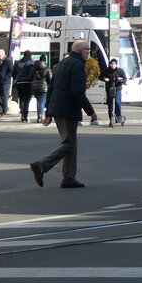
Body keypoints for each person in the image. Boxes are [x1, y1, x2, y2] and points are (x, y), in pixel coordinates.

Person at [30, 39, 97, 189]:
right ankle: (42, 165)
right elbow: (78, 92)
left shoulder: (61, 63)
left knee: (70, 143)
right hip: (68, 108)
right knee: (69, 144)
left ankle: (69, 177)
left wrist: (48, 111)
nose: (89, 53)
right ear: (80, 50)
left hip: (59, 108)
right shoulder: (78, 65)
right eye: (87, 49)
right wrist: (90, 111)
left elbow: (52, 87)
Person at [13, 50, 35, 122]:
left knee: (21, 99)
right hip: (29, 83)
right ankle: (26, 115)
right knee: (27, 100)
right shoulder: (32, 63)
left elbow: (13, 74)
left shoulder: (18, 63)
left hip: (20, 83)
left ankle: (22, 114)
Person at [103, 59, 127, 127]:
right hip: (109, 89)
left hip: (117, 88)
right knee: (110, 104)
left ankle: (119, 116)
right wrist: (105, 79)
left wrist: (121, 80)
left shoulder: (120, 71)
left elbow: (125, 79)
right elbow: (100, 76)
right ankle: (111, 118)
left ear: (116, 64)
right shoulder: (107, 70)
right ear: (110, 64)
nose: (113, 65)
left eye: (114, 64)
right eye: (112, 64)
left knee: (117, 102)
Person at [0, 48, 13, 120]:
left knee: (4, 97)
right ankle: (5, 107)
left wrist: (5, 78)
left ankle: (4, 113)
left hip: (5, 82)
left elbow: (11, 71)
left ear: (3, 55)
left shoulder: (8, 61)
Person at [30, 55, 51, 123]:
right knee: (42, 102)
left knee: (38, 102)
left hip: (34, 87)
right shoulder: (47, 68)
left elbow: (30, 77)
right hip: (44, 87)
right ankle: (40, 116)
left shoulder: (33, 68)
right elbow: (50, 79)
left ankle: (39, 115)